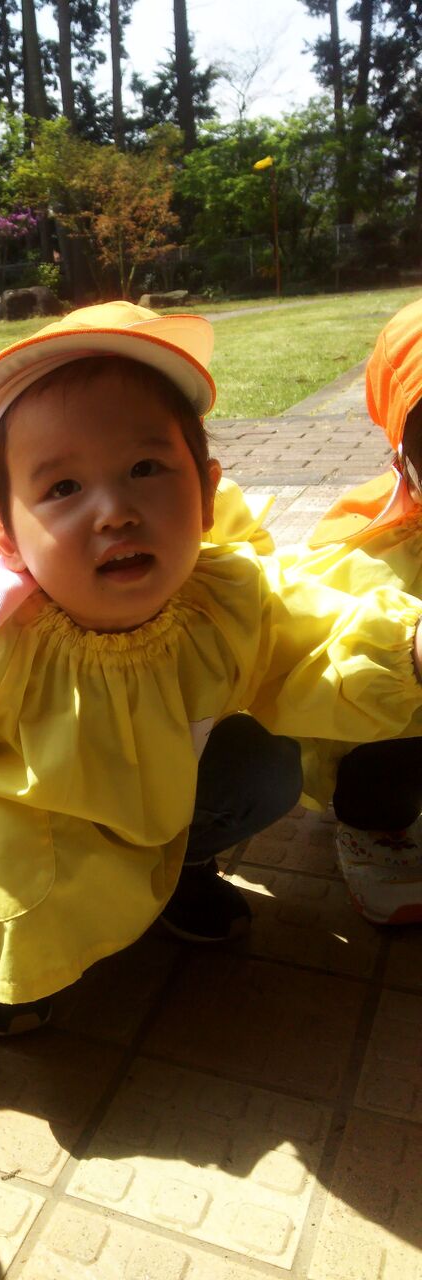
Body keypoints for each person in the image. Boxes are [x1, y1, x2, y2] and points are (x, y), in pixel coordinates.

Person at [0, 301, 422, 1035]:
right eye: (63, 489)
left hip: (145, 804)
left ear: (206, 493)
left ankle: (180, 870)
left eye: (145, 468)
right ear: (6, 535)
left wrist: (409, 646)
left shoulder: (224, 595)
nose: (114, 510)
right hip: (22, 837)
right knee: (8, 877)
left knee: (264, 763)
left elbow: (317, 633)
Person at [279, 295, 422, 924]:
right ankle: (373, 823)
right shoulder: (370, 550)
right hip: (382, 747)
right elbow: (318, 686)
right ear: (404, 453)